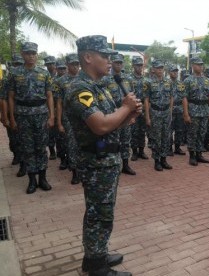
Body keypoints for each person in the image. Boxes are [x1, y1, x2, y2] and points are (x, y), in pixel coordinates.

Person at [66, 35, 141, 276]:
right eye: (104, 56)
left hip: (107, 161)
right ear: (88, 57)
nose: (110, 61)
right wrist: (126, 108)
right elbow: (100, 126)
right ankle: (97, 267)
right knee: (99, 213)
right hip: (96, 163)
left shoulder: (99, 87)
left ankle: (97, 254)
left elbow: (113, 122)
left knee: (103, 211)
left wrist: (128, 115)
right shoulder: (81, 89)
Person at [7, 42, 54, 194]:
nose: (31, 56)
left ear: (37, 54)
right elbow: (11, 97)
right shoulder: (14, 73)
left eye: (33, 53)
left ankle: (43, 178)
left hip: (41, 114)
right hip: (23, 114)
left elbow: (49, 96)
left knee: (41, 147)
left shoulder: (44, 72)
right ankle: (32, 180)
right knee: (28, 148)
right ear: (22, 54)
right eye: (28, 53)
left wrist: (51, 116)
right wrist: (12, 119)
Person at [104, 54, 136, 175]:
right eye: (116, 62)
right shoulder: (105, 79)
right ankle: (111, 165)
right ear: (111, 63)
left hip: (126, 113)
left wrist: (132, 116)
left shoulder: (127, 79)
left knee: (125, 140)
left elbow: (132, 96)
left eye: (120, 63)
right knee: (111, 141)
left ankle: (126, 165)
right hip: (111, 114)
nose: (118, 65)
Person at [182, 57, 209, 166]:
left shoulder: (207, 80)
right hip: (193, 109)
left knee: (202, 133)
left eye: (201, 64)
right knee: (193, 133)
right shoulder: (188, 80)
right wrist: (186, 114)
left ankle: (199, 154)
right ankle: (192, 155)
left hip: (204, 109)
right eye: (198, 64)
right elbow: (184, 98)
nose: (200, 66)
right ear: (193, 66)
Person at [55, 53, 81, 184]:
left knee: (85, 143)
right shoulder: (61, 81)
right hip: (68, 118)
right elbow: (58, 103)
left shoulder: (85, 78)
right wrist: (59, 122)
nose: (75, 67)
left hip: (84, 116)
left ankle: (84, 170)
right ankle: (75, 172)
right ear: (67, 65)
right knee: (71, 145)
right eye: (73, 64)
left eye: (77, 64)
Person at [144, 60, 173, 171]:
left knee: (166, 136)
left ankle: (164, 159)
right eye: (158, 68)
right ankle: (157, 161)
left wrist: (170, 112)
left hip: (166, 112)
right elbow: (146, 100)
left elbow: (171, 97)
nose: (160, 70)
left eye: (161, 68)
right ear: (153, 69)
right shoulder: (149, 82)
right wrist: (147, 116)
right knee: (156, 138)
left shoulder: (168, 82)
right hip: (155, 112)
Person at [129, 56, 149, 161]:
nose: (139, 67)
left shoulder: (146, 79)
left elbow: (148, 96)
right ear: (133, 65)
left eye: (141, 65)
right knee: (134, 130)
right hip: (133, 108)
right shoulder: (129, 79)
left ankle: (142, 150)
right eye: (137, 65)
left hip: (143, 107)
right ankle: (134, 152)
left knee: (142, 130)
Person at [168, 64, 187, 156]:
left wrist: (185, 111)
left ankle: (177, 147)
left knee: (180, 130)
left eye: (176, 71)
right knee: (169, 130)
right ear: (169, 72)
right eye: (173, 71)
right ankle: (168, 148)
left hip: (179, 109)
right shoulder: (166, 83)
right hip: (169, 109)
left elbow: (184, 97)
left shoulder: (181, 84)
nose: (175, 73)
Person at [44, 55, 58, 160]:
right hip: (47, 107)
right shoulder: (44, 75)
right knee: (49, 131)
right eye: (48, 64)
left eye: (52, 63)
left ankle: (62, 151)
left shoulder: (61, 75)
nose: (50, 66)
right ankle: (52, 151)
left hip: (60, 106)